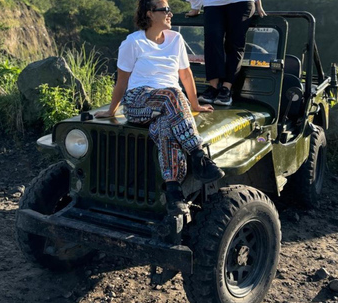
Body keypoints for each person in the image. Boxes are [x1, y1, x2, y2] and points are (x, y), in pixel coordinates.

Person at [94, 0, 225, 216]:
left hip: (170, 104)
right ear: (150, 14)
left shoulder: (176, 39)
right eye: (165, 10)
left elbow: (185, 74)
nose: (170, 14)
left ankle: (173, 190)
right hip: (138, 101)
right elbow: (122, 81)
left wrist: (195, 105)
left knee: (166, 127)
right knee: (172, 95)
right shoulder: (132, 43)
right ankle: (198, 155)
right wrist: (111, 110)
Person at [196, 0, 267, 106]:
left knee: (235, 43)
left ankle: (226, 88)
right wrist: (195, 6)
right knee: (212, 40)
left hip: (241, 2)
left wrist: (258, 4)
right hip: (212, 3)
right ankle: (213, 86)